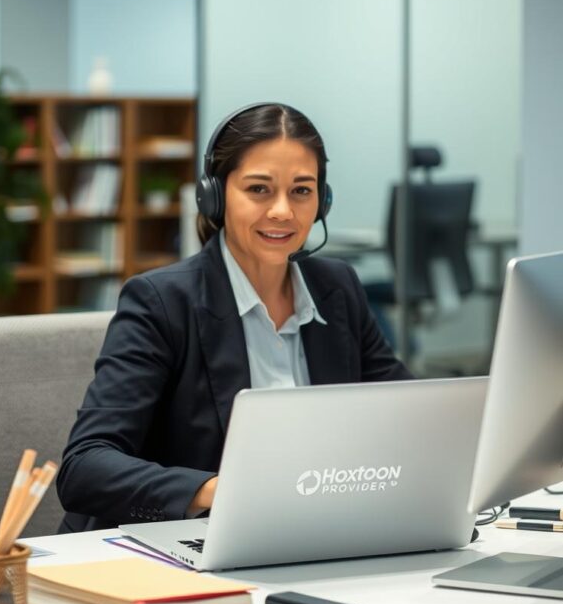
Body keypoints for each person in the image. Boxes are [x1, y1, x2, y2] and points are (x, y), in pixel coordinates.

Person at [57, 103, 411, 532]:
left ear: (323, 201)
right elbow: (86, 467)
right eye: (259, 189)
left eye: (302, 190)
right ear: (216, 196)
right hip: (183, 544)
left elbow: (406, 416)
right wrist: (220, 491)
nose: (283, 211)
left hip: (312, 531)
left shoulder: (337, 290)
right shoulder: (161, 302)